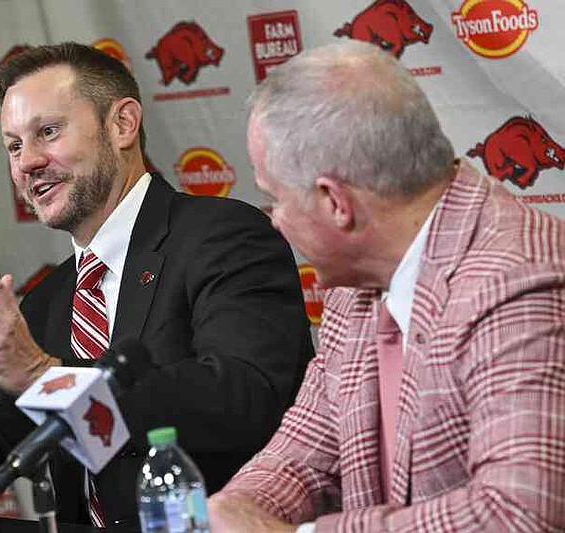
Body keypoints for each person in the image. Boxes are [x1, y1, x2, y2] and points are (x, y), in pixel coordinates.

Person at [0, 42, 314, 527]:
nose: (26, 162)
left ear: (122, 125)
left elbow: (244, 397)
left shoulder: (223, 236)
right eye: (13, 145)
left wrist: (49, 376)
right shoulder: (50, 298)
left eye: (47, 132)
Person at [208, 40, 565, 531]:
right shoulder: (354, 286)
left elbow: (520, 513)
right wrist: (231, 510)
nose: (275, 223)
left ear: (336, 202)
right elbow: (305, 452)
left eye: (277, 201)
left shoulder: (515, 279)